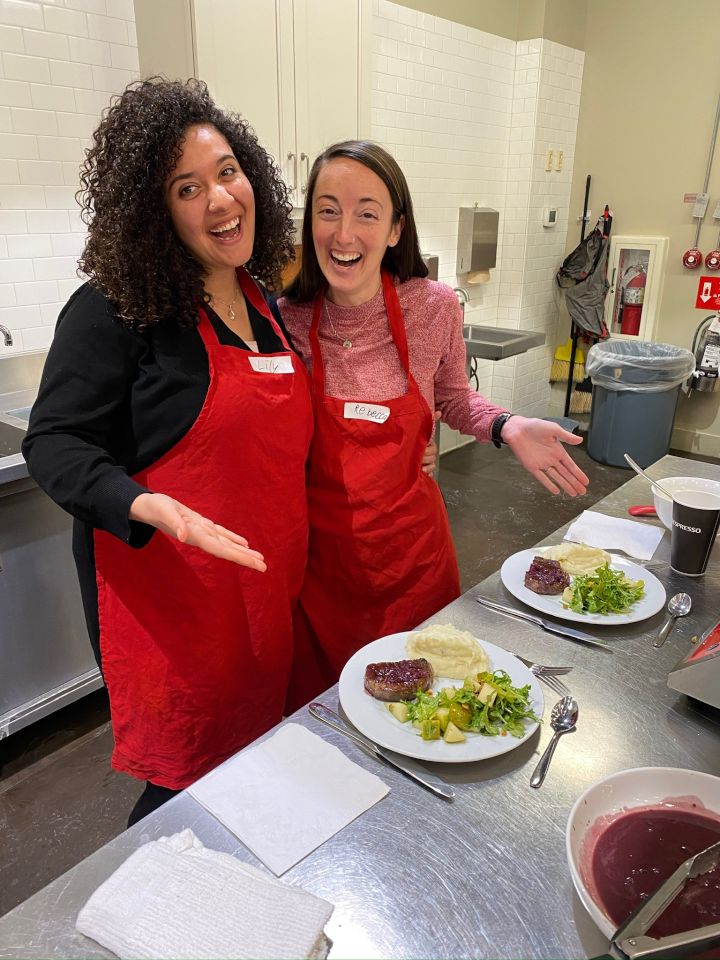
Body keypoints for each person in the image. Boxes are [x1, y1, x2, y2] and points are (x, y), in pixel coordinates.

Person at [22, 78, 313, 825]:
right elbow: (54, 440)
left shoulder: (262, 300)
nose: (220, 199)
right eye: (188, 188)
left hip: (262, 592)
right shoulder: (115, 309)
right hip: (176, 605)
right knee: (185, 795)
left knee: (253, 763)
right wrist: (143, 502)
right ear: (156, 213)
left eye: (227, 172)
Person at [279, 140, 590, 709]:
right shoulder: (284, 319)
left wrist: (507, 425)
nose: (344, 233)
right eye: (328, 210)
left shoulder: (434, 307)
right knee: (328, 723)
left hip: (412, 561)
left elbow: (453, 397)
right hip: (321, 575)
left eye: (367, 213)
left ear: (395, 229)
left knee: (431, 716)